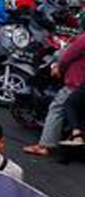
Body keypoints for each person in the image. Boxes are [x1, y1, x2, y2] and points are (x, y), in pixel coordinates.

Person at [26, 27, 85, 155]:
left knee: (57, 109)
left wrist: (58, 67)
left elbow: (67, 56)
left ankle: (45, 145)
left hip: (76, 83)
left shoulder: (83, 39)